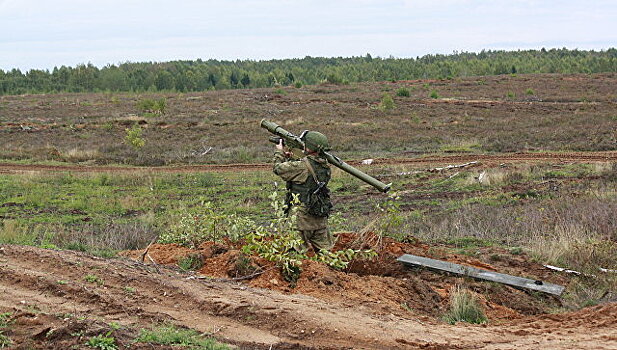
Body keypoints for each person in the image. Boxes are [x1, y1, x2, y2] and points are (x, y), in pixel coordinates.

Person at [272, 130, 334, 253]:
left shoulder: (302, 167)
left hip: (301, 220)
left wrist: (279, 152)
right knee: (327, 255)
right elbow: (307, 169)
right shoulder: (325, 166)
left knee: (294, 255)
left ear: (308, 147)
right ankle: (333, 272)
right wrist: (292, 158)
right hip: (319, 217)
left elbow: (278, 168)